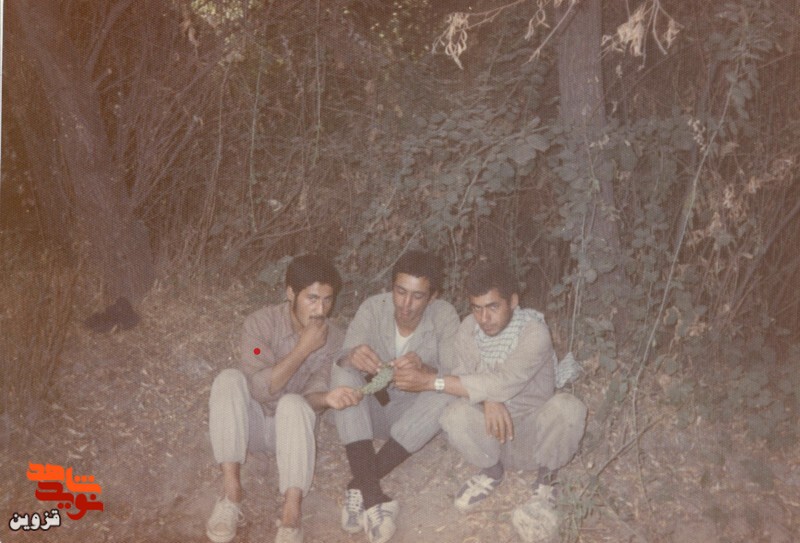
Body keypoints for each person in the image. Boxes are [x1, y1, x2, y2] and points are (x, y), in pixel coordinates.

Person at [394, 261, 586, 543]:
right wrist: (488, 402)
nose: (484, 318)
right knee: (453, 412)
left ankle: (547, 479)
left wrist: (431, 381)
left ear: (513, 302)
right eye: (476, 308)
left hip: (533, 436)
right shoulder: (468, 329)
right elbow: (462, 377)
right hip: (490, 436)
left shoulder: (534, 332)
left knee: (569, 408)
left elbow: (502, 382)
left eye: (493, 307)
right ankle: (492, 471)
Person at [205, 254, 362, 543]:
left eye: (327, 300)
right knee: (228, 379)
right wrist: (302, 349)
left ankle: (291, 513)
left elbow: (310, 401)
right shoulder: (259, 325)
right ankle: (231, 493)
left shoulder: (335, 339)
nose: (320, 310)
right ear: (291, 293)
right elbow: (260, 387)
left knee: (293, 403)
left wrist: (328, 398)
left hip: (292, 434)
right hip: (250, 425)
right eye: (312, 299)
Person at [331, 250, 460, 543]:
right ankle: (374, 498)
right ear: (391, 287)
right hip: (369, 410)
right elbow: (343, 355)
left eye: (417, 296)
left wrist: (425, 371)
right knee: (342, 372)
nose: (405, 304)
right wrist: (353, 356)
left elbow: (454, 373)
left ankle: (359, 485)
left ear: (433, 297)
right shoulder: (373, 308)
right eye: (400, 292)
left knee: (446, 393)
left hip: (411, 417)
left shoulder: (445, 315)